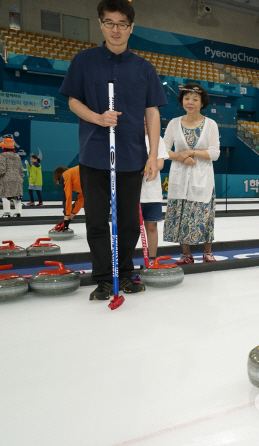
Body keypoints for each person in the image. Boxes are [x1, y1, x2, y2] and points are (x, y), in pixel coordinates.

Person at [59, 0, 167, 300]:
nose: (116, 29)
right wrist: (98, 118)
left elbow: (153, 113)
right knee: (96, 220)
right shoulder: (84, 60)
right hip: (94, 153)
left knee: (130, 222)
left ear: (131, 28)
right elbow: (72, 101)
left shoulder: (144, 68)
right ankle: (104, 278)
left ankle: (125, 272)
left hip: (132, 156)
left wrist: (153, 155)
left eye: (122, 24)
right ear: (100, 24)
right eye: (110, 23)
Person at [163, 83, 220, 264]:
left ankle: (207, 252)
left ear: (202, 103)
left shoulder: (210, 124)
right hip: (180, 178)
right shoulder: (174, 123)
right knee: (181, 215)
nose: (190, 102)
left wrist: (192, 152)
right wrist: (180, 157)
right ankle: (186, 255)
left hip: (202, 179)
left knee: (204, 215)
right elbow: (163, 151)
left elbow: (214, 153)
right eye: (187, 98)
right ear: (182, 101)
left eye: (195, 99)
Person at [140, 119, 169, 263]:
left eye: (147, 119)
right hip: (133, 194)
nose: (145, 122)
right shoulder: (129, 138)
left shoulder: (158, 139)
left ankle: (152, 260)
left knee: (152, 226)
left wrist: (147, 169)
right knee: (130, 229)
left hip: (152, 193)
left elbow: (160, 163)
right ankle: (124, 262)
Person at [52, 166, 84, 232]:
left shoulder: (65, 175)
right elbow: (81, 199)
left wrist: (66, 218)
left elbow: (67, 197)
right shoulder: (77, 177)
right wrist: (69, 218)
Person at [0, 137, 23, 218]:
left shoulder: (2, 156)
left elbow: (1, 169)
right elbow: (20, 168)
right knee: (17, 196)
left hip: (6, 179)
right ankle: (18, 212)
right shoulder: (17, 156)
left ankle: (7, 212)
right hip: (17, 178)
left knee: (5, 195)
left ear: (4, 147)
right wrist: (21, 177)